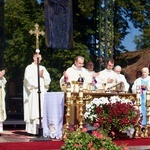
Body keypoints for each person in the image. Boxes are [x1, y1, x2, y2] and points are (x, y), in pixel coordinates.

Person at [23, 53, 51, 135]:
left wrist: (43, 76)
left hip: (41, 92)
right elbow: (27, 80)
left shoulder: (43, 68)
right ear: (33, 58)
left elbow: (48, 80)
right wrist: (37, 76)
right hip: (33, 93)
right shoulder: (29, 68)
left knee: (41, 110)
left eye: (40, 58)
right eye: (37, 58)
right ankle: (32, 130)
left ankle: (41, 130)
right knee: (34, 110)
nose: (39, 59)